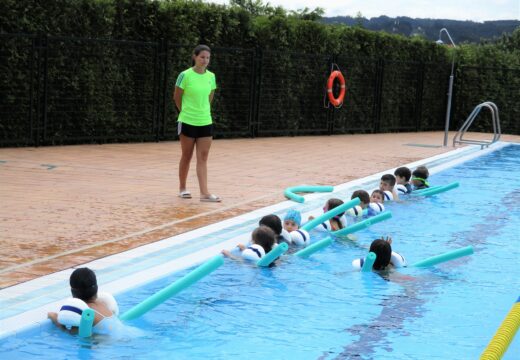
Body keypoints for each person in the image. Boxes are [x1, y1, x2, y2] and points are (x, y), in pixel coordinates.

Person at [173, 44, 220, 202]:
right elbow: (177, 97)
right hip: (187, 120)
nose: (205, 60)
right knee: (187, 155)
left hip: (205, 121)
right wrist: (184, 112)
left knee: (203, 157)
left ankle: (204, 193)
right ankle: (182, 188)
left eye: (207, 58)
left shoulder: (211, 77)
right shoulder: (184, 75)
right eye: (202, 57)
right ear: (195, 57)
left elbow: (210, 97)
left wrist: (202, 112)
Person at [48, 268, 116, 334]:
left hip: (104, 344)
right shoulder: (103, 304)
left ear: (72, 291)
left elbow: (73, 335)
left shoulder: (83, 312)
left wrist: (57, 321)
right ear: (96, 288)